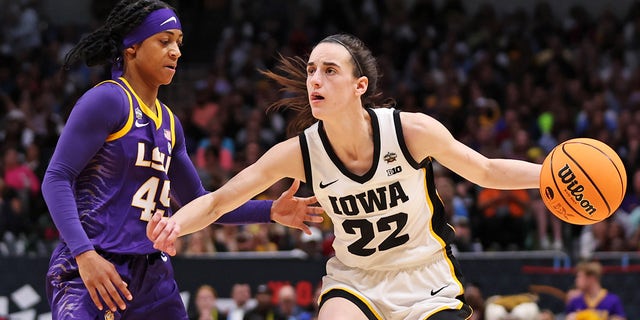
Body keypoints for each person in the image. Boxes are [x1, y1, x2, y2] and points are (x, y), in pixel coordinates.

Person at [148, 33, 542, 319]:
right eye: (312, 70)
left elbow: (487, 170)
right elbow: (218, 200)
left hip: (424, 276)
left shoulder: (410, 131)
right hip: (355, 279)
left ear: (360, 86)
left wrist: (548, 174)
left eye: (330, 70)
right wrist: (174, 225)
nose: (315, 79)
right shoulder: (300, 153)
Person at [40, 1, 322, 319]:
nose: (176, 51)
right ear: (132, 48)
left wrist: (270, 210)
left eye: (178, 42)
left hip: (152, 276)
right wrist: (84, 253)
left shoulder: (170, 123)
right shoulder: (108, 100)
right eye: (165, 41)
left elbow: (200, 203)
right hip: (94, 264)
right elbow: (56, 178)